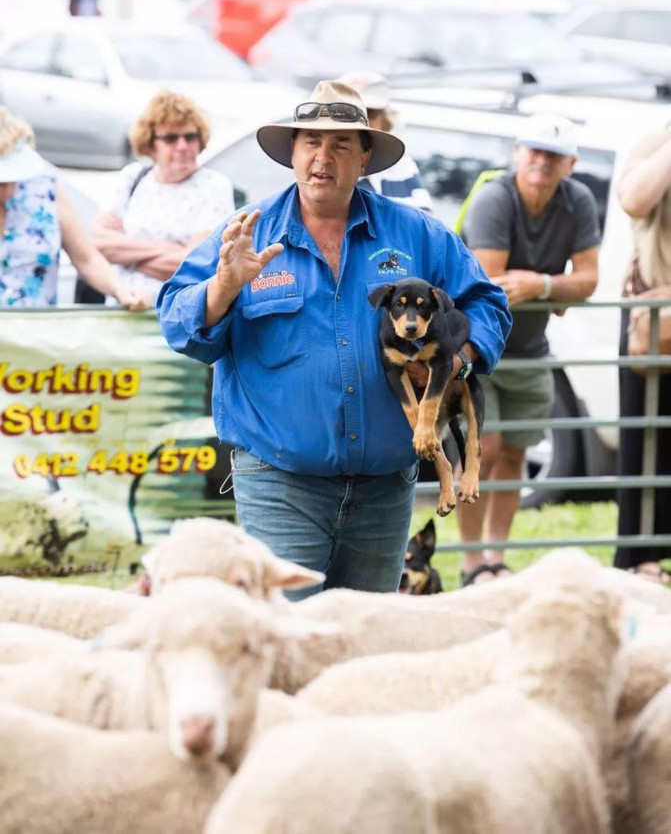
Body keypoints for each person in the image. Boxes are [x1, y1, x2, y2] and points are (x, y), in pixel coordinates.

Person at [157, 79, 511, 598]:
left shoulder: (418, 234)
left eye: (341, 144)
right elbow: (177, 321)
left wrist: (457, 361)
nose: (324, 157)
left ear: (365, 157)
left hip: (386, 491)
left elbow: (488, 304)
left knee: (364, 647)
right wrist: (223, 287)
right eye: (310, 143)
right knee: (291, 639)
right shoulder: (246, 233)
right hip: (280, 485)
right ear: (293, 155)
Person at [458, 113, 600, 586]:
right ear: (518, 152)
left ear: (571, 163)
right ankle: (470, 560)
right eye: (534, 150)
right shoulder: (495, 198)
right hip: (478, 351)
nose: (542, 161)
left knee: (517, 452)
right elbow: (494, 285)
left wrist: (539, 283)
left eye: (553, 155)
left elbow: (589, 279)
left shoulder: (577, 200)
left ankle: (498, 557)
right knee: (484, 448)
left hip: (533, 350)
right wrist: (559, 288)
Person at [92, 90, 235, 307]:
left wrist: (126, 255)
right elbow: (99, 244)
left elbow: (197, 265)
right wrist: (168, 248)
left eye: (190, 137)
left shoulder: (214, 186)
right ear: (151, 145)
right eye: (171, 138)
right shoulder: (133, 178)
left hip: (177, 316)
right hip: (121, 312)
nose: (182, 146)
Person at [0, 107, 143, 309]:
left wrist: (118, 289)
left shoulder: (45, 189)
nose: (6, 186)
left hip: (34, 334)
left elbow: (87, 258)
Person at [615, 124, 671, 584]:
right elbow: (634, 200)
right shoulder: (653, 145)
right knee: (645, 438)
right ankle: (642, 560)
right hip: (655, 320)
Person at [337, 70, 433, 212]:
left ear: (384, 120)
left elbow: (427, 228)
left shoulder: (403, 167)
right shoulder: (322, 170)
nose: (362, 122)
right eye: (351, 113)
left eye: (369, 112)